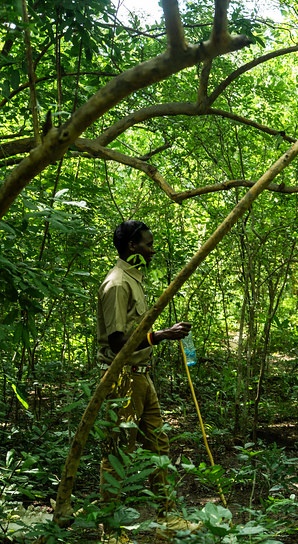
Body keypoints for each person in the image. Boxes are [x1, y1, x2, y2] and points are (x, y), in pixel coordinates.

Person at [96, 220, 192, 520]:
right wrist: (162, 335)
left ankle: (169, 517)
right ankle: (111, 528)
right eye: (148, 244)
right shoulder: (117, 283)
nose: (153, 251)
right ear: (131, 247)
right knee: (118, 453)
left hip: (142, 376)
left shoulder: (133, 279)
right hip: (121, 378)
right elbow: (117, 341)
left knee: (159, 446)